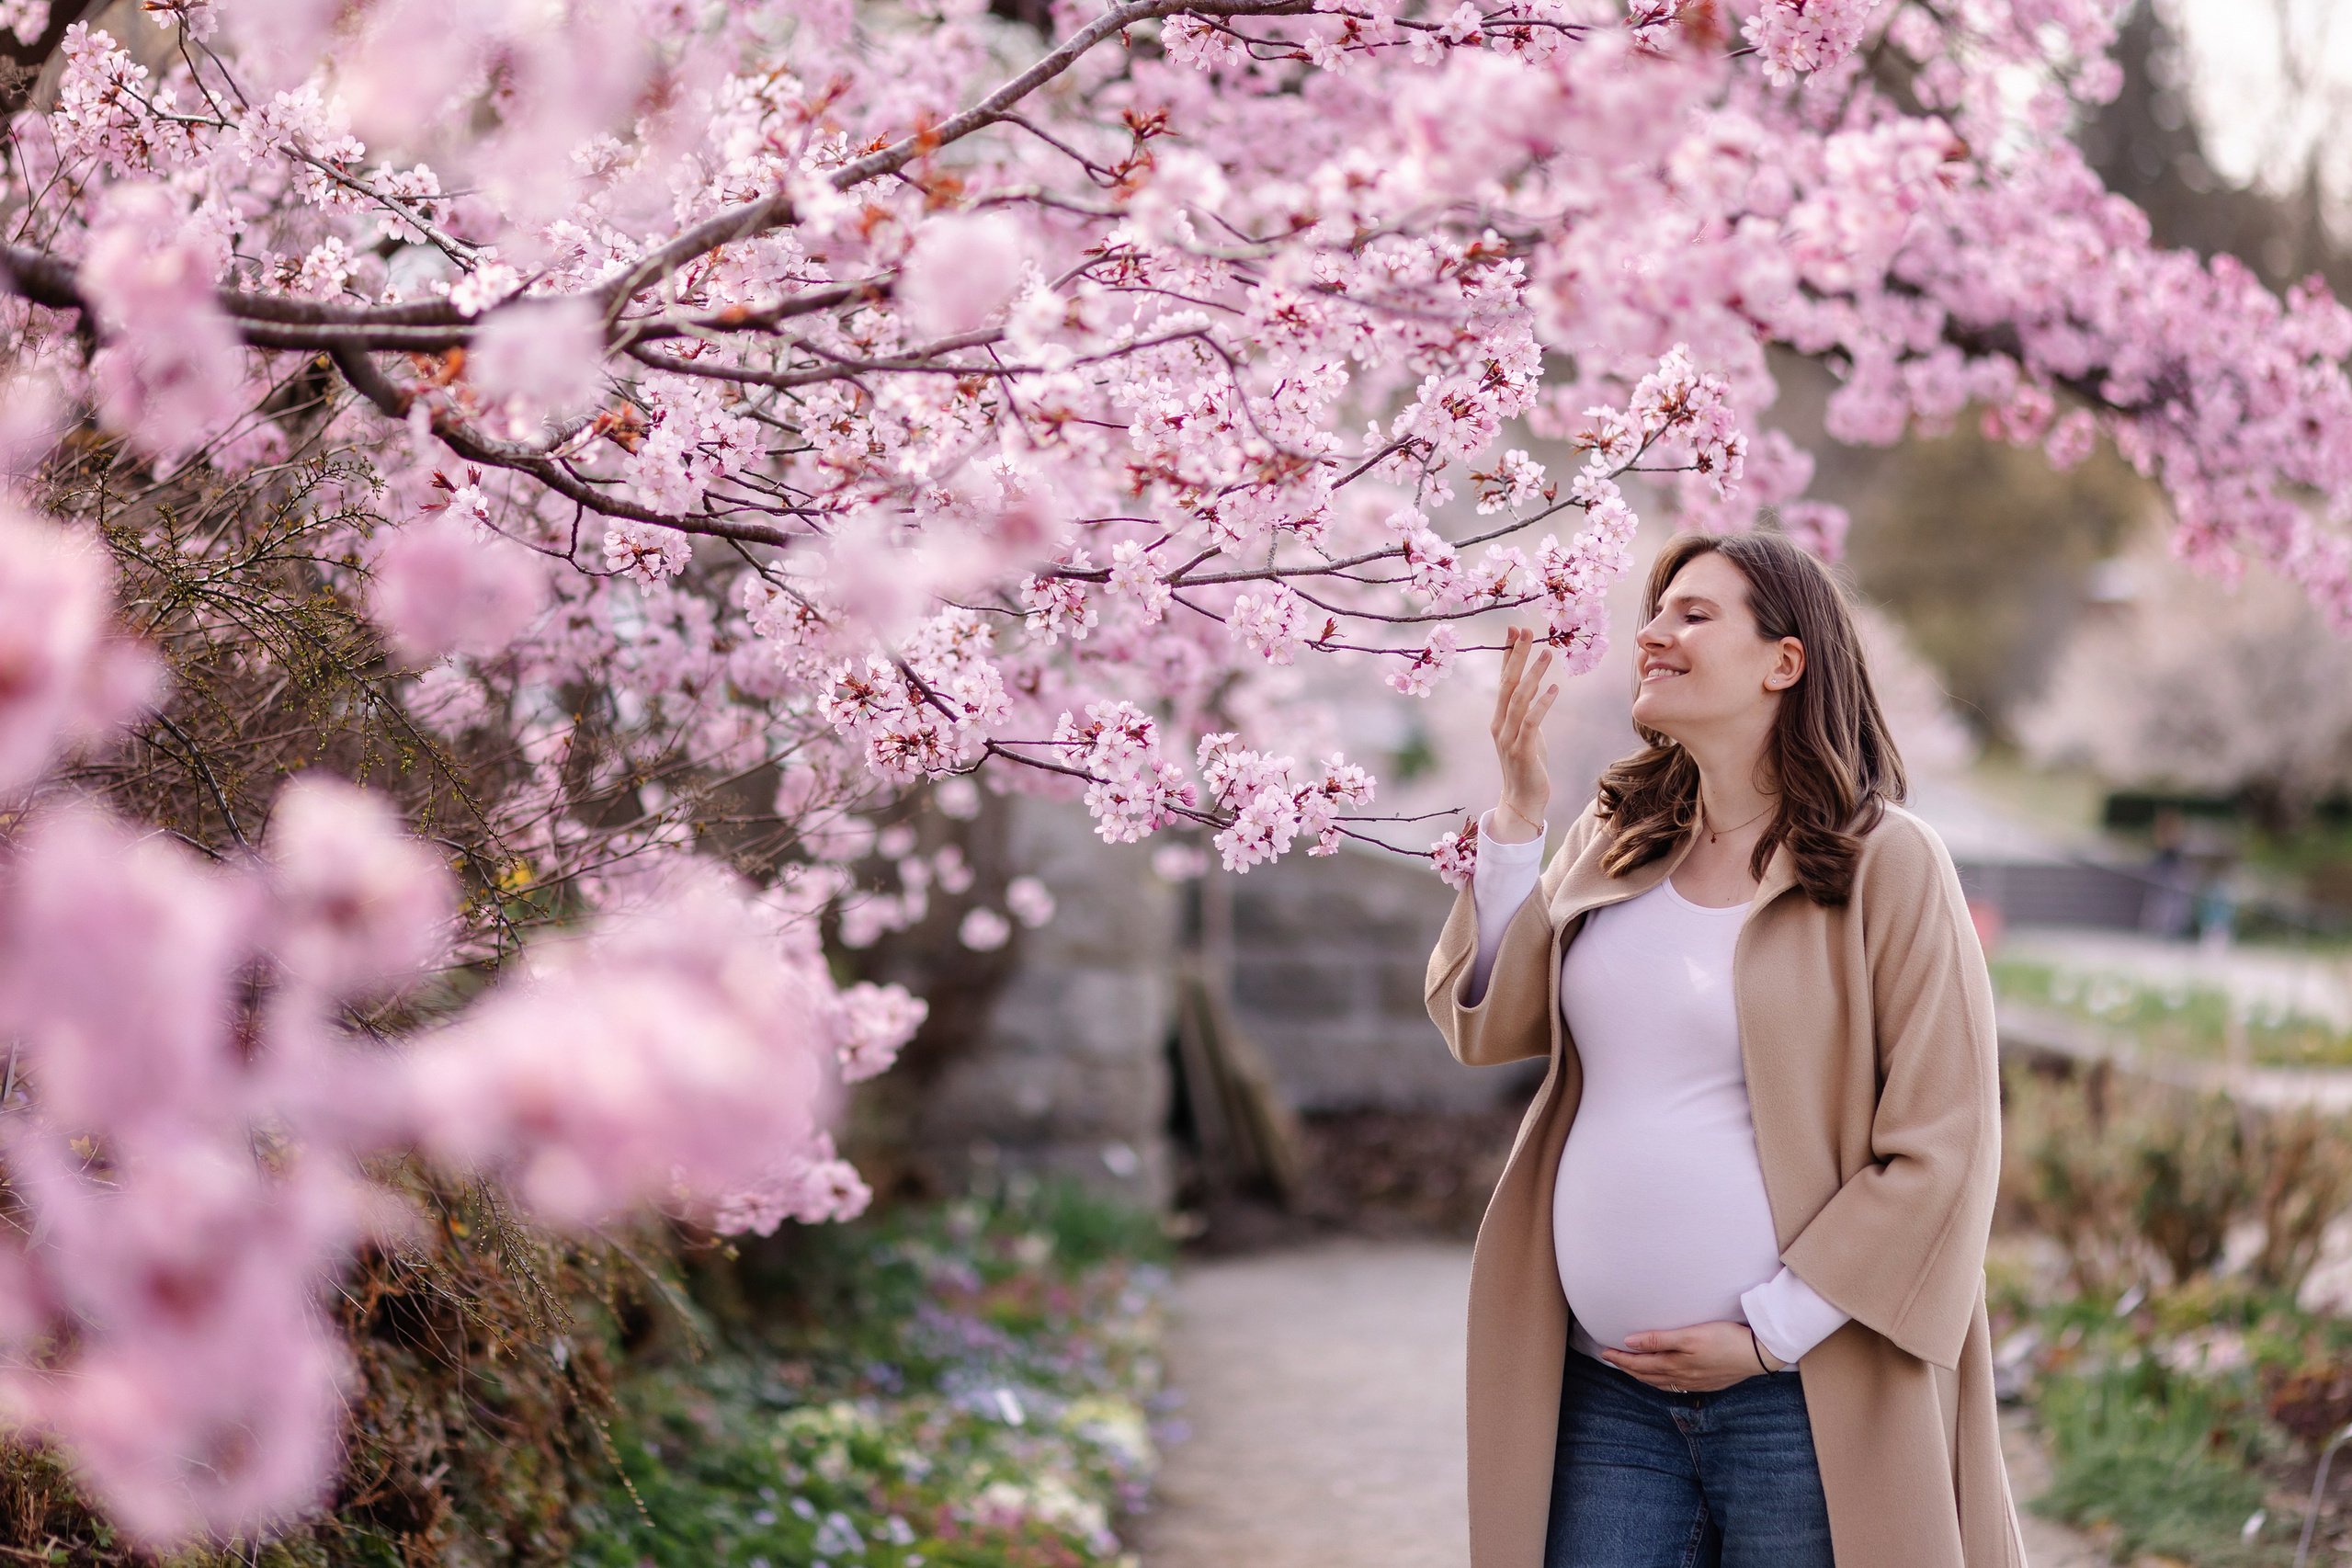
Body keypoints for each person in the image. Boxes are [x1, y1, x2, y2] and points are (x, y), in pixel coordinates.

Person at [1425, 531, 2022, 1568]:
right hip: (1603, 1394)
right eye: (1654, 613)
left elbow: (1945, 1143)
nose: (1651, 633)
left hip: (1804, 1400)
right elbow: (1488, 1022)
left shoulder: (1890, 863)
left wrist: (1769, 1332)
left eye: (1693, 614)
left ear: (1783, 661)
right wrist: (1520, 816)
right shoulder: (1617, 840)